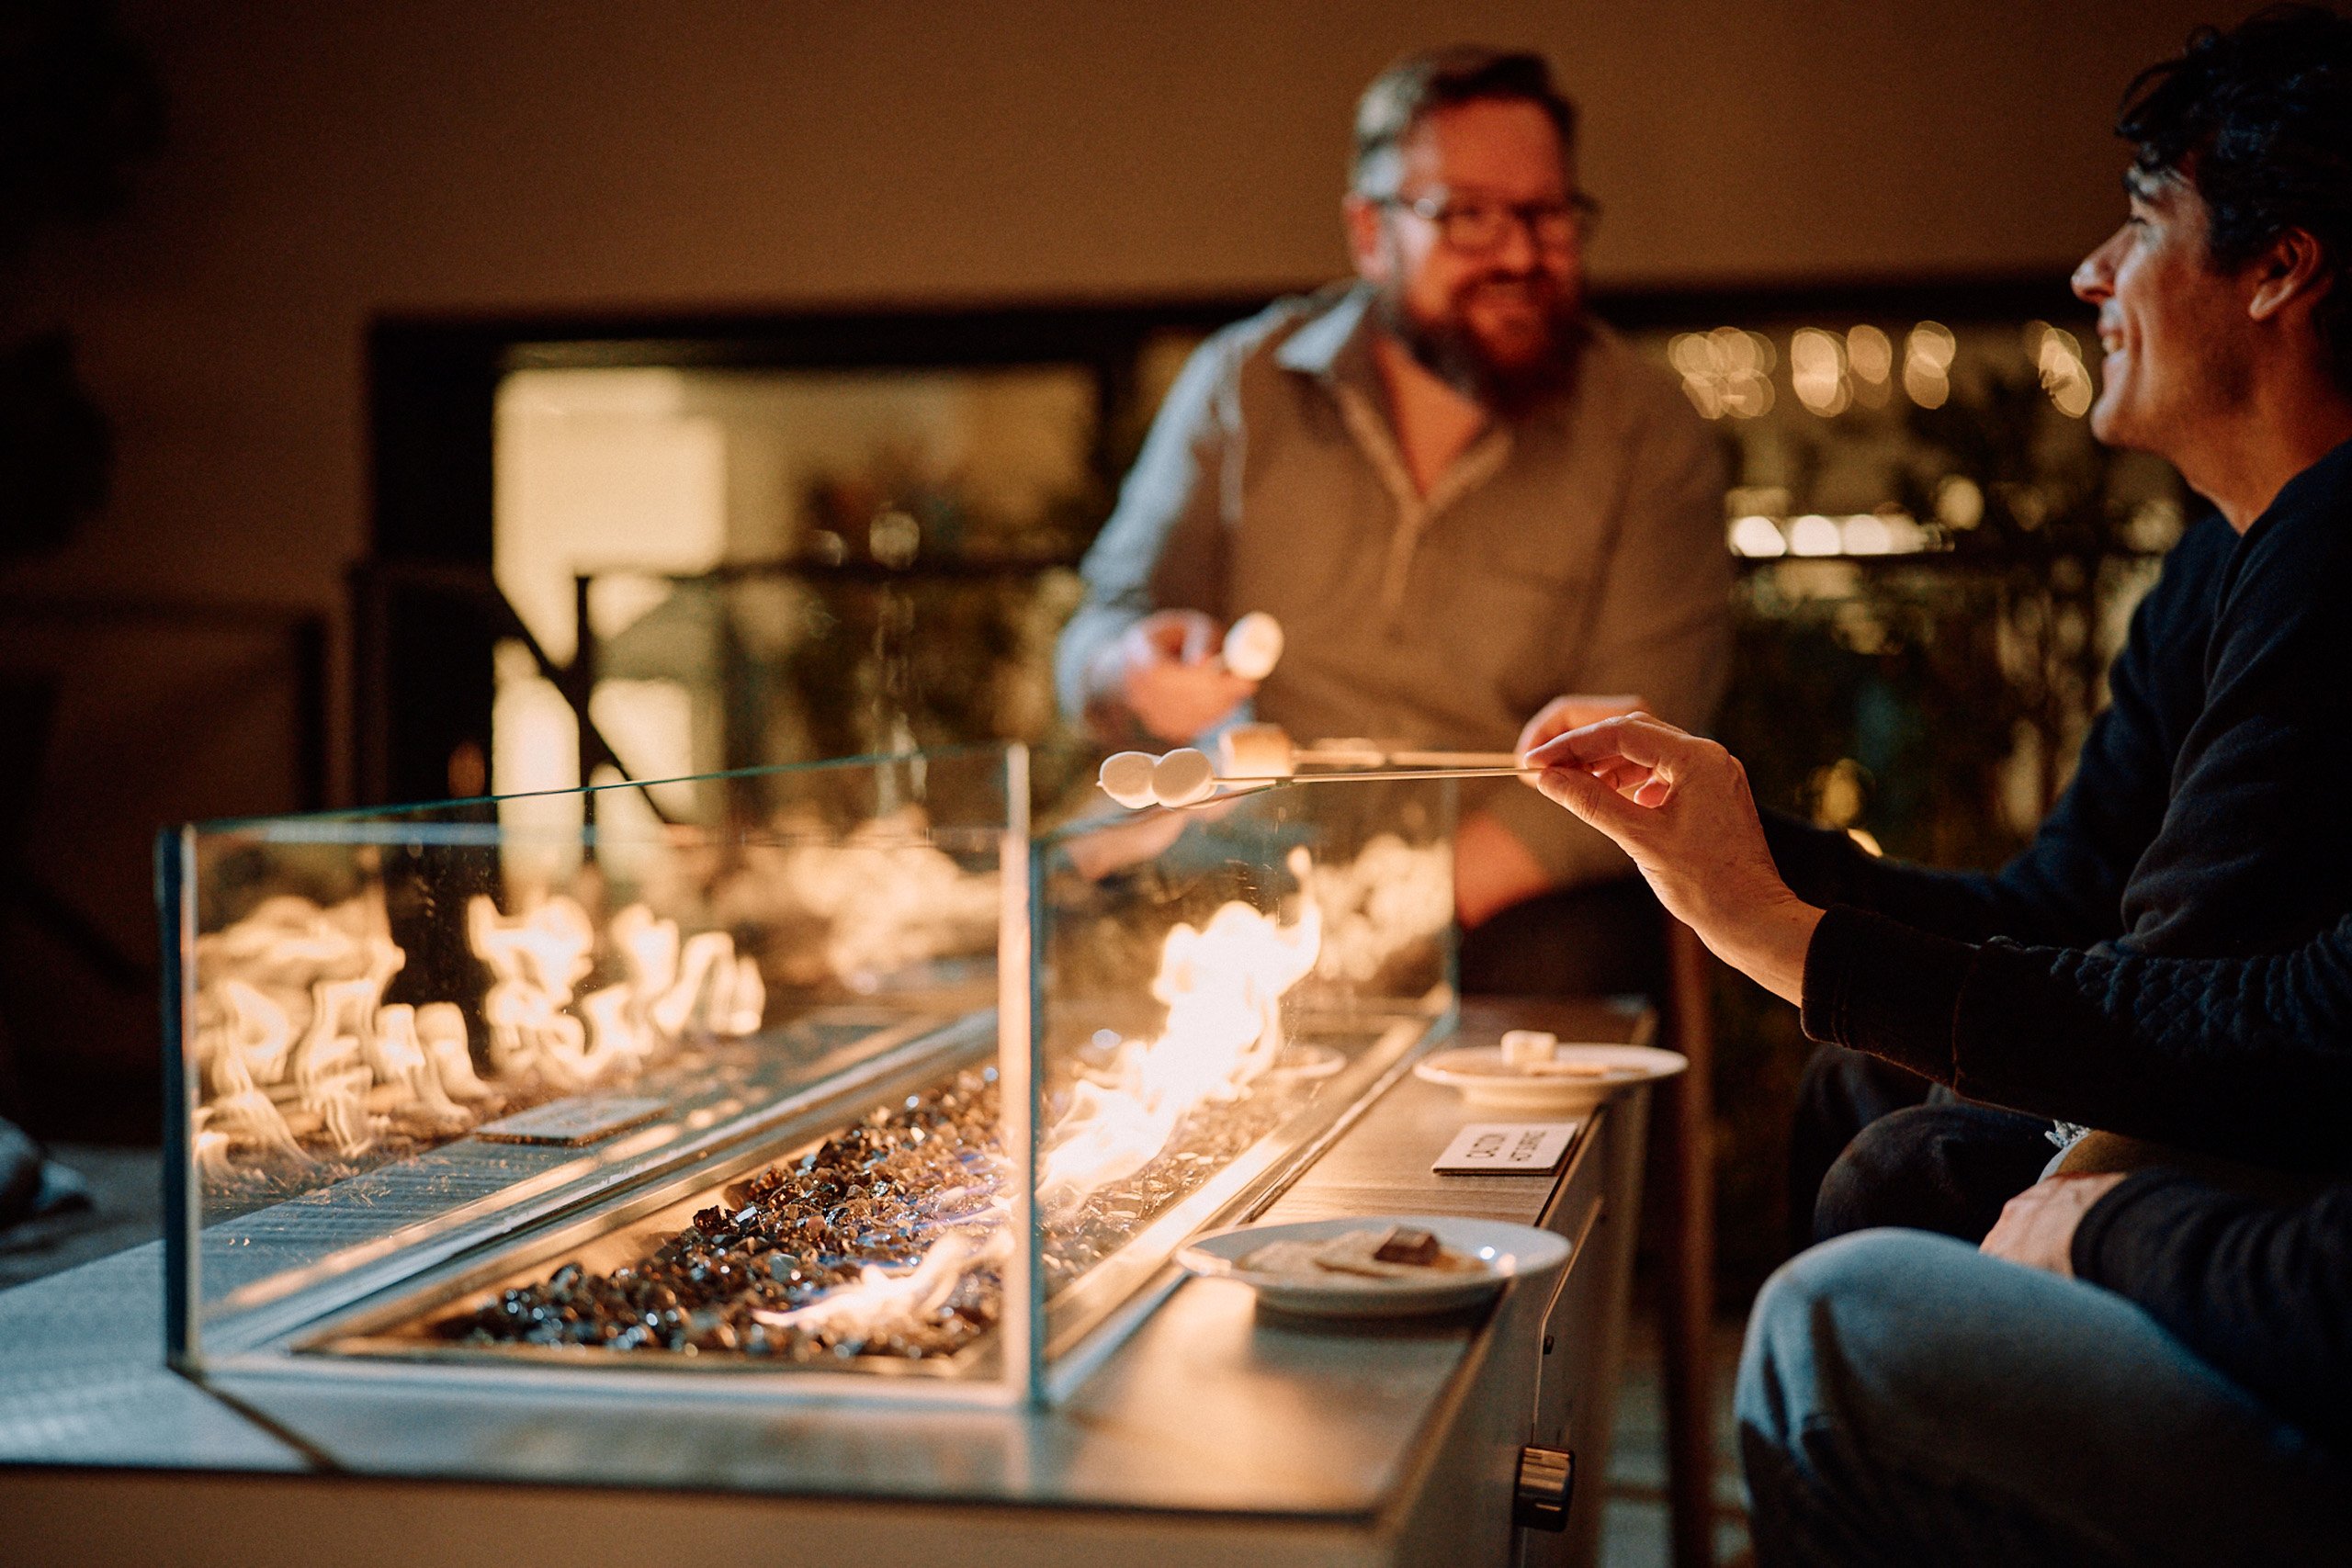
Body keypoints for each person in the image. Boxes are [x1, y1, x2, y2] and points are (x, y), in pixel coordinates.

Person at [1524, 4, 2352, 1247]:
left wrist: (1778, 931)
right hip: (2210, 1075)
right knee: (1860, 1081)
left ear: (2281, 267)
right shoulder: (2206, 571)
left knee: (1914, 1157)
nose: (2092, 274)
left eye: (2138, 224)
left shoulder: (2335, 545)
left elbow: (2222, 1009)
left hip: (2280, 1153)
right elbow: (2064, 903)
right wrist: (1725, 839)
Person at [1056, 46, 1730, 996]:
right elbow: (1096, 630)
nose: (1520, 256)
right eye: (1467, 216)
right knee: (1070, 922)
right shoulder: (1242, 385)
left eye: (1546, 215)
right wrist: (1131, 668)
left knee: (1571, 955)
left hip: (1498, 902)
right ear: (1370, 233)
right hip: (1241, 860)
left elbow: (1643, 748)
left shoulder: (1646, 435)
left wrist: (1385, 914)